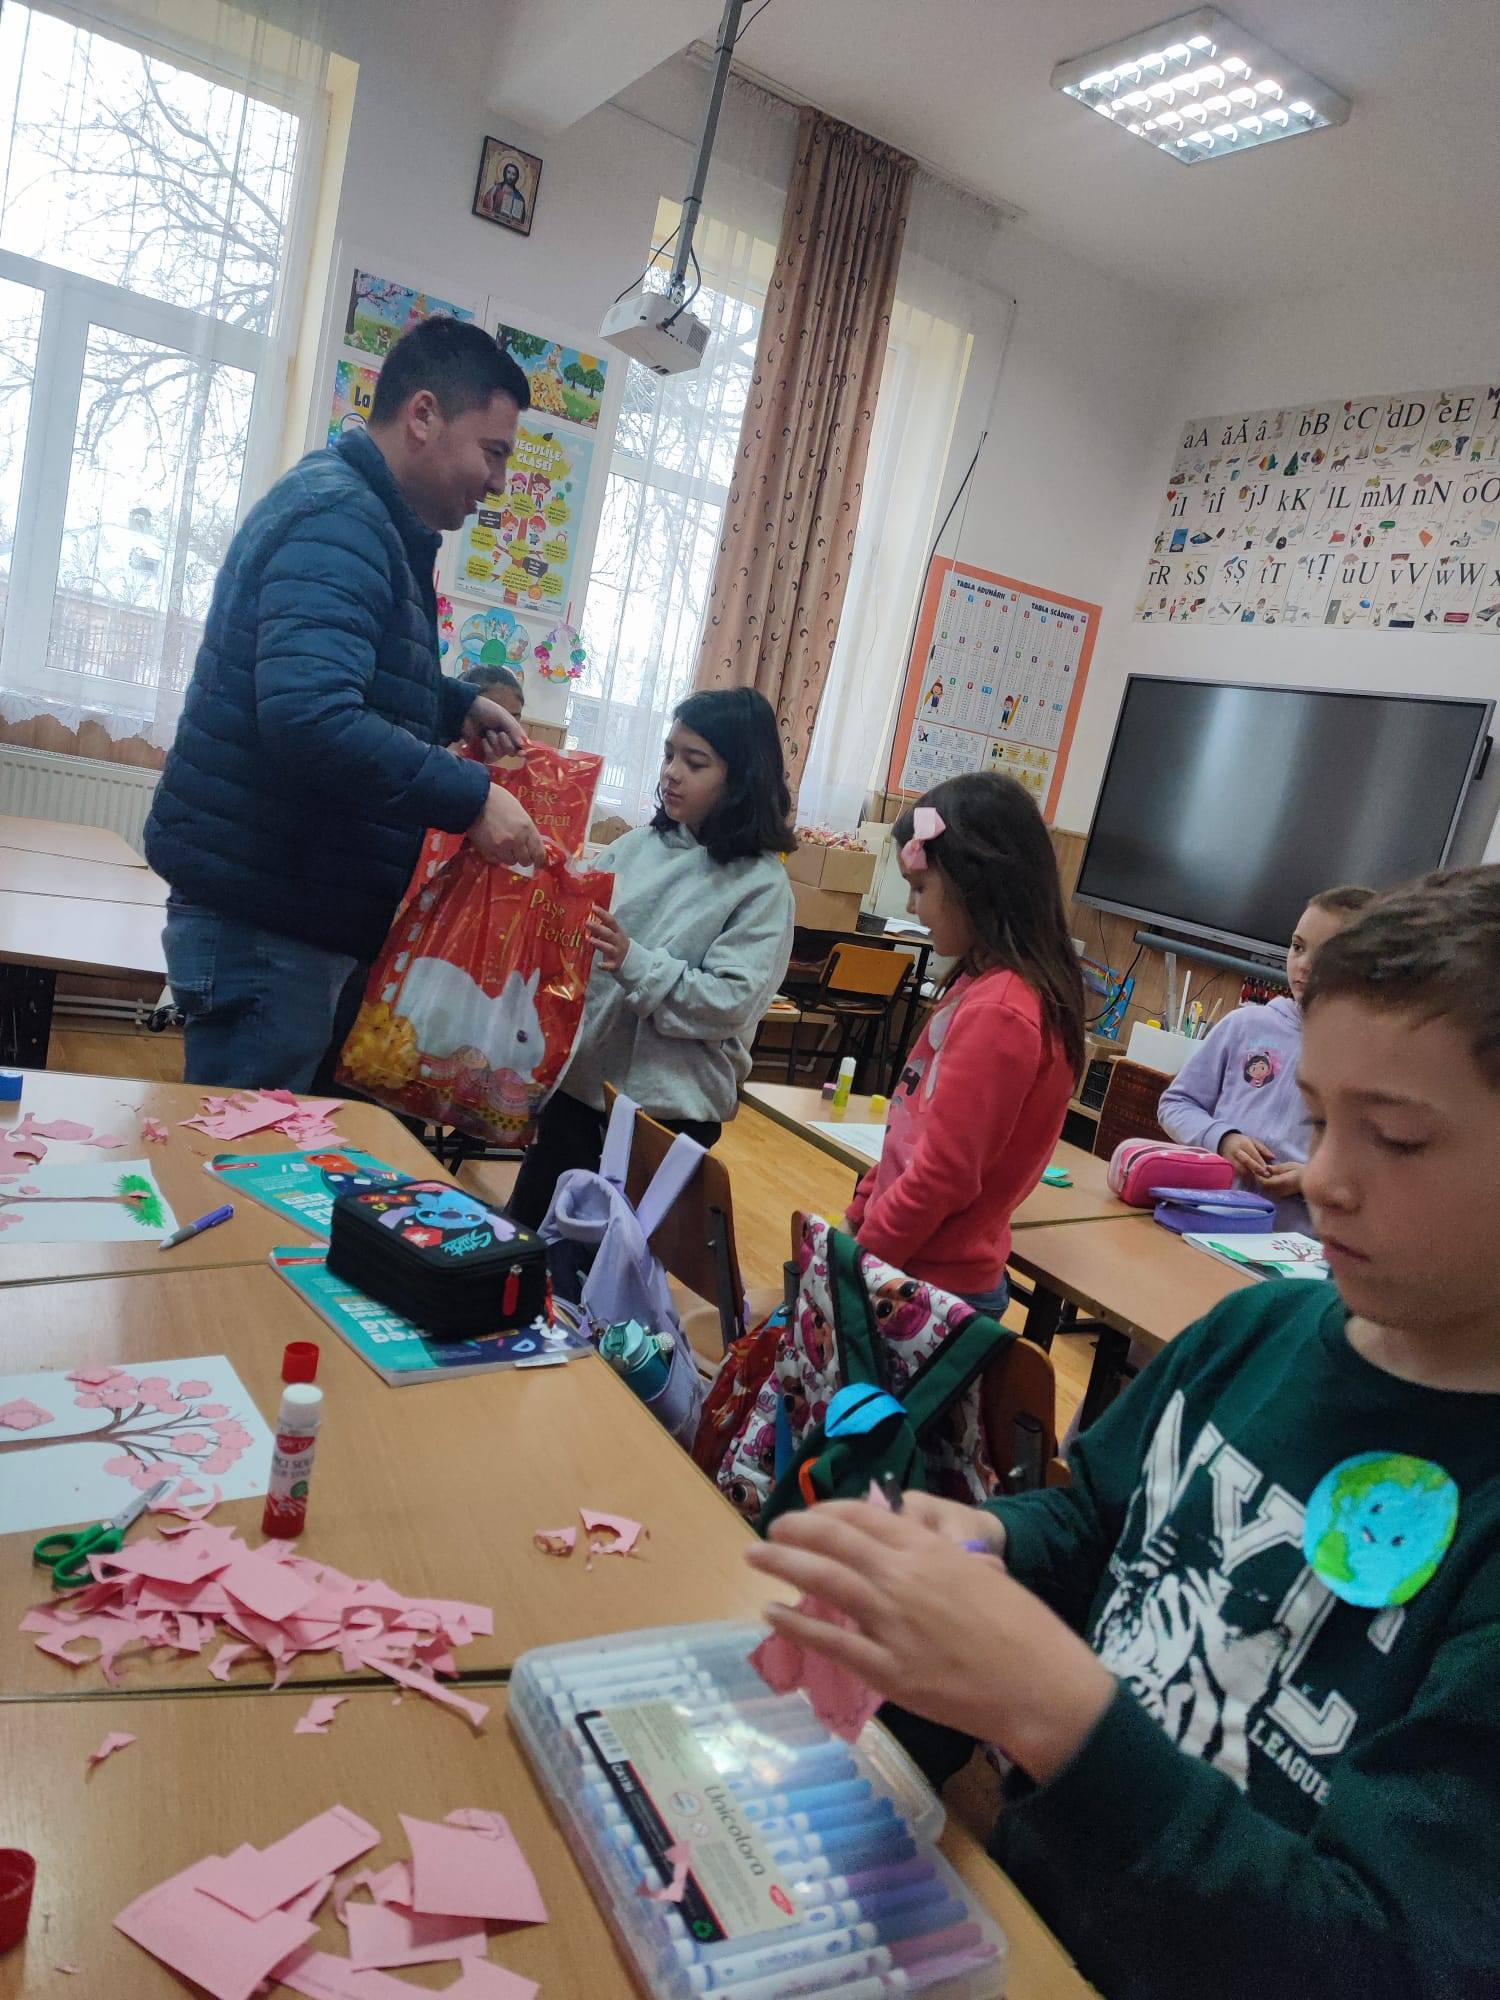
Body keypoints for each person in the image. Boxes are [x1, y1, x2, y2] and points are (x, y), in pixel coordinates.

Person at [746, 869, 1500, 2000]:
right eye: (1319, 1118)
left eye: (1393, 1138)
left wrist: (1057, 1710)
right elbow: (1099, 1518)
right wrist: (989, 1541)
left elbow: (1381, 1956)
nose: (1324, 1177)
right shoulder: (1255, 1333)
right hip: (1027, 1925)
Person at [145, 319, 545, 1092]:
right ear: (423, 415)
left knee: (267, 1149)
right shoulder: (343, 520)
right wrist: (472, 798)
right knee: (242, 1155)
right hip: (270, 922)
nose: (498, 483)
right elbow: (310, 718)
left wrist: (454, 705)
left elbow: (343, 673)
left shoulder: (362, 516)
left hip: (285, 908)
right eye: (493, 452)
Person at [507, 687, 795, 1228]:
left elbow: (731, 1003)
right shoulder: (636, 847)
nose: (671, 773)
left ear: (742, 777)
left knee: (612, 1265)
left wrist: (632, 961)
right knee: (527, 1238)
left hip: (665, 1116)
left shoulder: (761, 885)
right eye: (668, 755)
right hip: (580, 1090)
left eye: (695, 762)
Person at [845, 772, 1084, 1308]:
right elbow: (911, 1135)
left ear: (975, 885)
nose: (913, 908)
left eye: (920, 888)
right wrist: (859, 1215)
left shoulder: (1002, 1010)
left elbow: (942, 1175)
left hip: (929, 1287)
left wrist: (862, 1260)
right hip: (909, 1266)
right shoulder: (981, 985)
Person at [1159, 883, 1376, 1226]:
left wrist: (1309, 1178)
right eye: (1297, 947)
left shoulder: (1371, 1060)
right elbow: (1176, 1103)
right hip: (1207, 1218)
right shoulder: (1245, 1024)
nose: (1303, 965)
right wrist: (1223, 1138)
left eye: (1326, 955)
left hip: (1295, 1242)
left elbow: (1372, 1172)